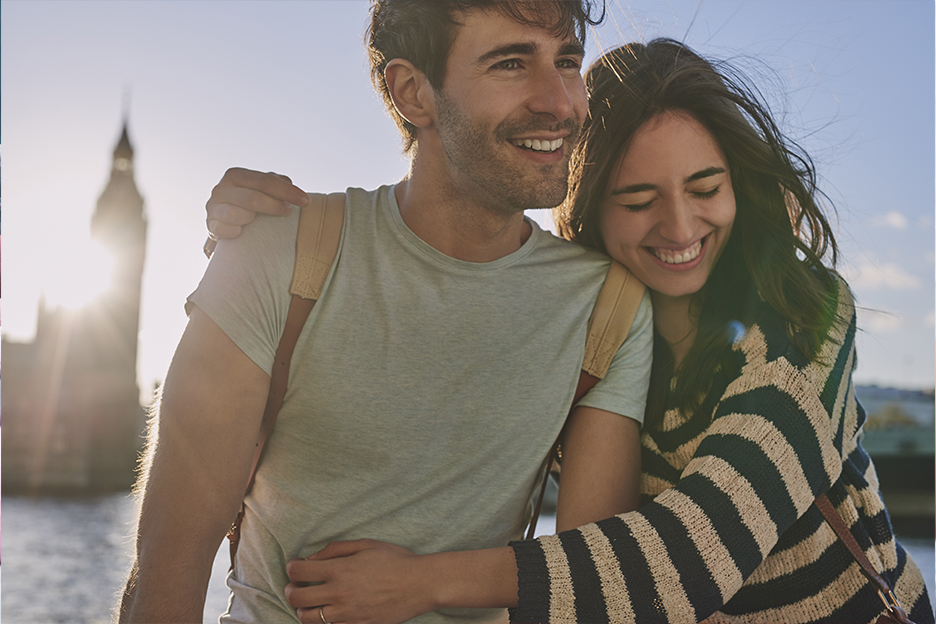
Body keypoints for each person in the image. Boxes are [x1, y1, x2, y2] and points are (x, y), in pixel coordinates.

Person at [207, 39, 935, 624]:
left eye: (705, 189)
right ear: (591, 211)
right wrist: (267, 243)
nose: (680, 228)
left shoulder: (805, 321)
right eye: (639, 200)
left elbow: (690, 561)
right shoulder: (582, 329)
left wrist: (420, 585)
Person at [118, 2, 656, 623]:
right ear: (413, 93)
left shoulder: (607, 309)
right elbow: (165, 571)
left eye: (567, 61)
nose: (560, 102)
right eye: (511, 63)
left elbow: (586, 582)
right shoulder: (278, 252)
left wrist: (428, 583)